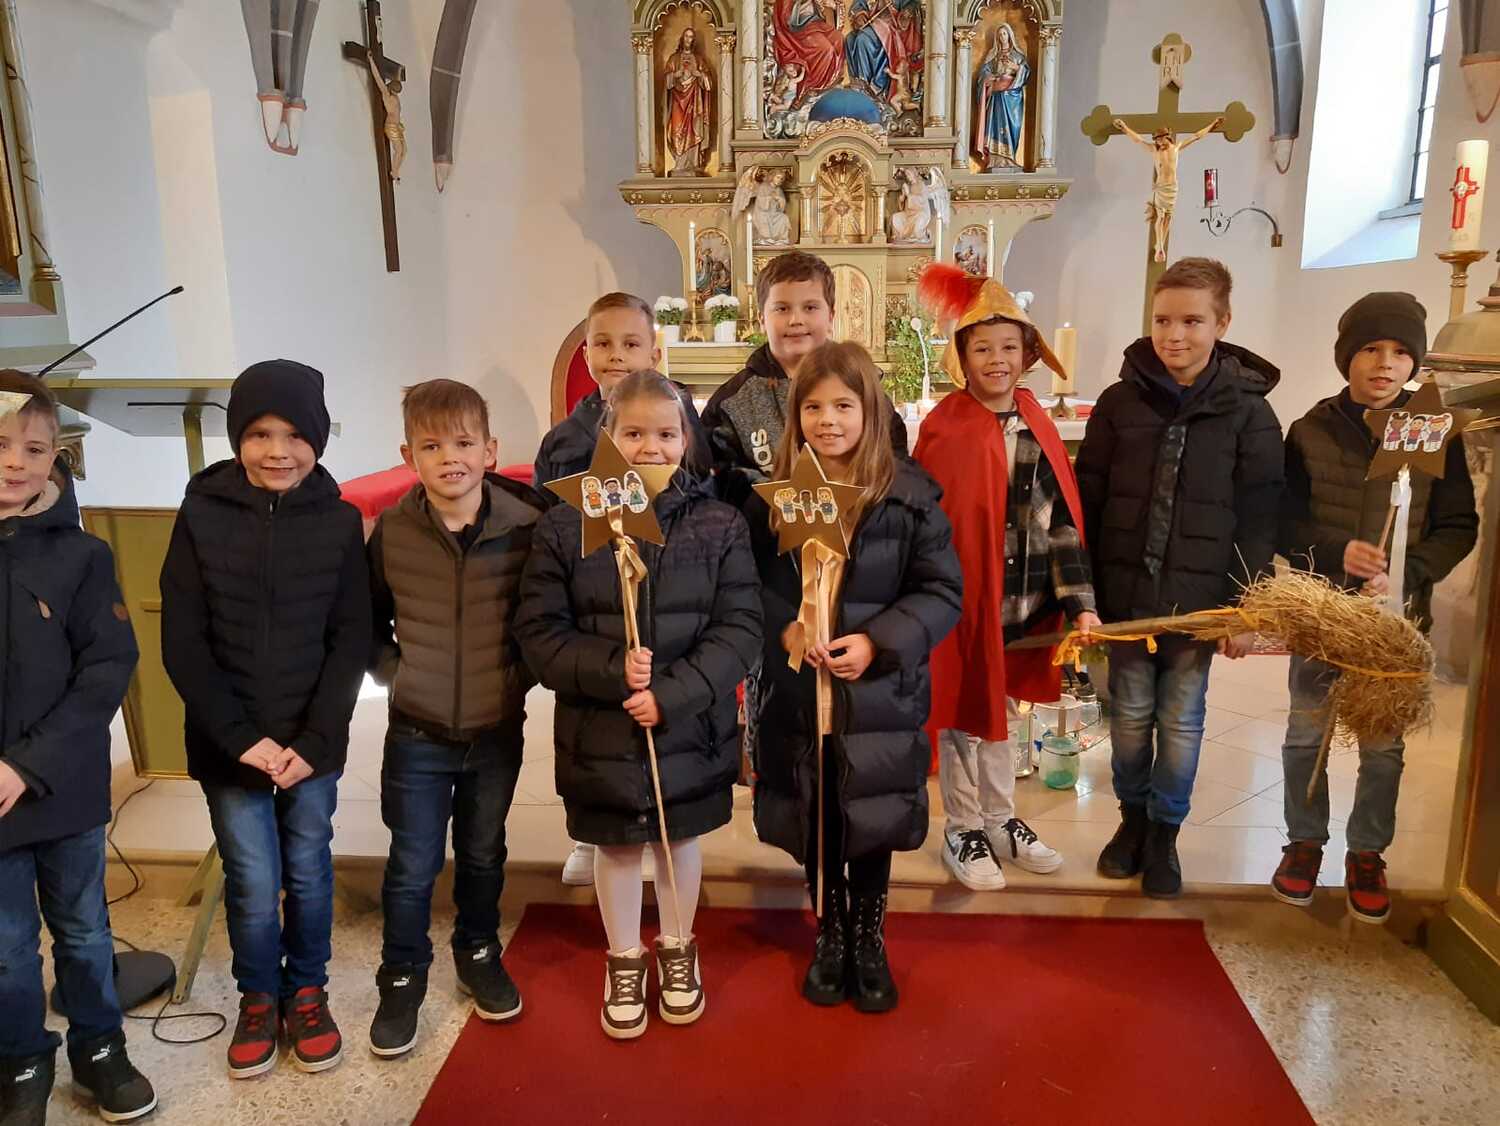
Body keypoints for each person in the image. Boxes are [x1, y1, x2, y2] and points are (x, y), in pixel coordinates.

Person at [516, 370, 761, 1039]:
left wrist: (672, 694)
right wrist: (613, 672)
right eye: (632, 434)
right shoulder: (566, 525)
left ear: (686, 439)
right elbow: (539, 634)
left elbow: (740, 628)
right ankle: (624, 956)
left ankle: (678, 947)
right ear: (607, 437)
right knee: (619, 846)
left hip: (688, 726)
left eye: (665, 434)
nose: (650, 448)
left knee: (679, 841)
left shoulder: (719, 523)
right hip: (602, 728)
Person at [161, 360, 370, 1079]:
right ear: (236, 438)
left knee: (308, 871)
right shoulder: (199, 515)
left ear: (317, 439)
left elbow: (352, 640)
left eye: (294, 435)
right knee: (252, 880)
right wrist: (241, 738)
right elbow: (183, 641)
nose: (277, 451)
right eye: (258, 434)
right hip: (231, 745)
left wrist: (314, 740)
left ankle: (306, 992)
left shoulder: (339, 522)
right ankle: (258, 997)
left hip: (311, 746)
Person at [749, 342, 962, 1013]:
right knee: (816, 815)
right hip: (801, 695)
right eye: (813, 407)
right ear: (796, 416)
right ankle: (830, 929)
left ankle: (869, 935)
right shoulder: (776, 499)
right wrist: (786, 627)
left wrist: (878, 641)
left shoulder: (909, 497)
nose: (828, 420)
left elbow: (941, 592)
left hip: (875, 698)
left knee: (869, 815)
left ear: (870, 410)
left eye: (843, 405)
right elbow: (751, 586)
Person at [1074, 258, 1283, 898]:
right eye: (1163, 320)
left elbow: (1261, 515)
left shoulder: (1249, 413)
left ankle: (1165, 832)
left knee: (1183, 722)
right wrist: (1084, 595)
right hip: (1126, 600)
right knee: (1129, 719)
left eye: (1192, 321)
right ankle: (1132, 820)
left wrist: (1243, 608)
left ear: (1223, 323)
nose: (1175, 335)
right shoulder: (1119, 403)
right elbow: (1089, 500)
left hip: (1198, 606)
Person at [1272, 293, 1477, 923]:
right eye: (1369, 349)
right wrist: (1338, 550)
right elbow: (1284, 521)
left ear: (1413, 362)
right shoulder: (1310, 430)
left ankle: (1367, 852)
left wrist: (1407, 571)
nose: (1385, 364)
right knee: (1306, 734)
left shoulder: (1432, 430)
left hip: (1395, 623)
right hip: (1323, 614)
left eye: (1399, 352)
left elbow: (1458, 525)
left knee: (1383, 746)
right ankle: (1304, 841)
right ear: (1346, 357)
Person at [365, 379, 545, 1057]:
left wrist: (513, 680)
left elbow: (539, 621)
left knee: (482, 850)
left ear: (491, 450)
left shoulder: (524, 528)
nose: (451, 459)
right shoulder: (392, 532)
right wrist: (400, 675)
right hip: (417, 730)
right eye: (432, 446)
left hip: (494, 728)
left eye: (464, 443)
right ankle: (402, 975)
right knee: (412, 862)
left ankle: (478, 951)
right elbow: (368, 622)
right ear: (408, 455)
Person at [0, 371, 157, 1124]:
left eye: (34, 449)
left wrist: (24, 764)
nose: (15, 462)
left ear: (55, 457)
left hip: (64, 786)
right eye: (0, 444)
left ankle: (101, 1049)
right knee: (5, 946)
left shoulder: (83, 557)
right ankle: (21, 1061)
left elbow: (106, 669)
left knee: (85, 931)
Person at [913, 266, 1099, 891]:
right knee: (963, 716)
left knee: (1006, 712)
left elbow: (1060, 522)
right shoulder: (947, 426)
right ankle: (962, 825)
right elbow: (930, 524)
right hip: (963, 604)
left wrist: (1079, 604)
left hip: (1021, 602)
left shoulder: (1036, 422)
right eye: (983, 348)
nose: (997, 359)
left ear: (1028, 354)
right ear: (961, 358)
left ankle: (1000, 818)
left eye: (1009, 347)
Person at [534, 292, 705, 887]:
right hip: (593, 607)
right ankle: (591, 834)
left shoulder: (683, 418)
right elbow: (549, 524)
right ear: (585, 352)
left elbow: (699, 494)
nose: (616, 355)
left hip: (667, 594)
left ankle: (661, 830)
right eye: (603, 344)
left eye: (631, 343)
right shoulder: (565, 439)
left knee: (660, 724)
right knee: (597, 733)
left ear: (653, 351)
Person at [701, 250, 908, 511]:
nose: (796, 320)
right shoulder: (732, 401)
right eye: (782, 308)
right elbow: (716, 478)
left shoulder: (862, 385)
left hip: (860, 523)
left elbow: (895, 460)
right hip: (766, 529)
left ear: (831, 316)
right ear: (762, 319)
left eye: (810, 307)